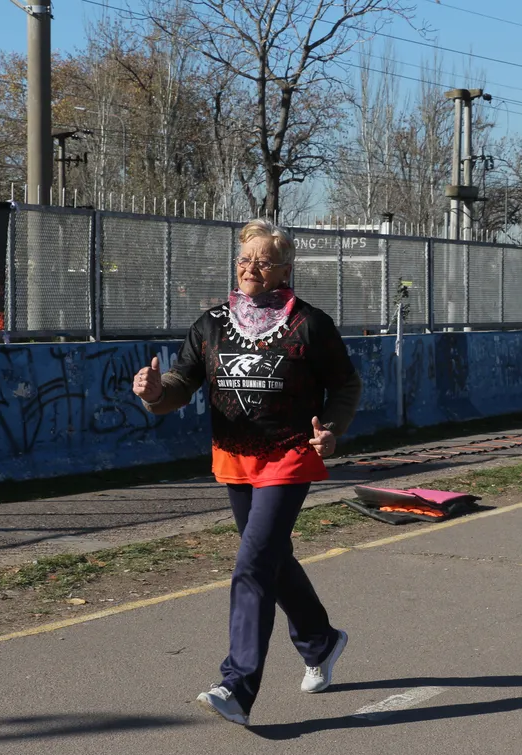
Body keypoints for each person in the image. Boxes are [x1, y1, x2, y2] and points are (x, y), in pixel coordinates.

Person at [133, 218, 363, 726]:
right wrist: (154, 393)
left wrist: (331, 428)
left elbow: (346, 385)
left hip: (290, 454)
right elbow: (179, 383)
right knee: (272, 559)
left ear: (284, 269)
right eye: (243, 259)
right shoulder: (211, 324)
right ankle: (321, 641)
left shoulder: (310, 324)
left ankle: (237, 685)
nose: (250, 268)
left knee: (252, 564)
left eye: (262, 260)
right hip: (234, 456)